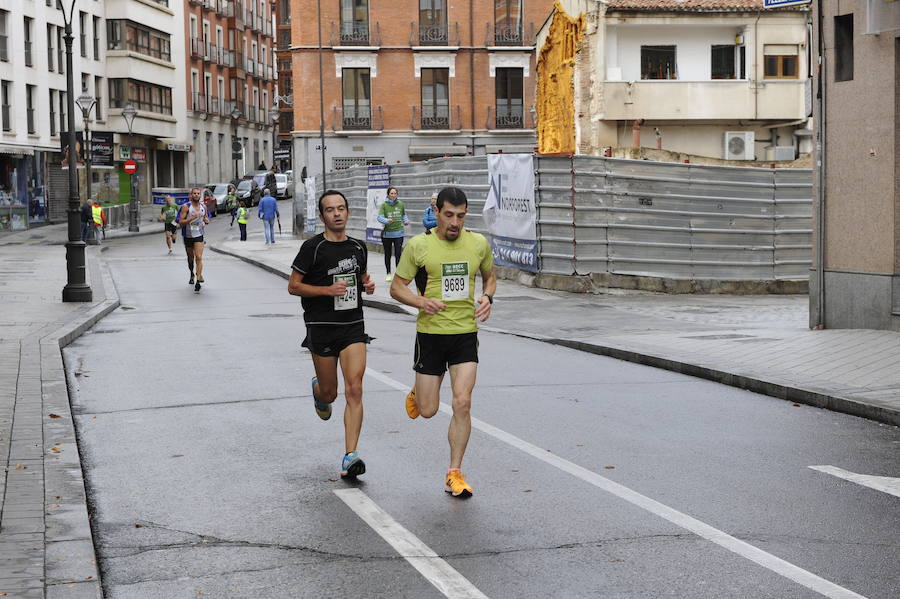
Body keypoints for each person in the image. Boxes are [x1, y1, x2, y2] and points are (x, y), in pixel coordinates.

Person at [389, 186, 496, 498]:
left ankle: (454, 472)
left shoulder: (478, 243)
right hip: (431, 335)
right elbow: (396, 288)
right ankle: (420, 390)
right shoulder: (418, 246)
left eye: (461, 216)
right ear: (436, 212)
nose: (455, 222)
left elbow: (491, 275)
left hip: (465, 333)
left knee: (462, 402)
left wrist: (488, 297)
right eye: (449, 215)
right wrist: (421, 302)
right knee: (427, 410)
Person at [288, 189, 376, 479]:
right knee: (332, 393)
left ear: (348, 212)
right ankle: (319, 390)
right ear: (323, 215)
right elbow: (294, 286)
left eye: (341, 208)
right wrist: (326, 290)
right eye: (330, 209)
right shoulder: (312, 248)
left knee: (355, 388)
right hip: (321, 327)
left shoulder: (358, 248)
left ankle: (351, 456)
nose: (337, 213)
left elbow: (360, 279)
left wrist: (368, 285)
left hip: (353, 326)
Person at [178, 188, 209, 292]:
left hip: (199, 234)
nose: (196, 195)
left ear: (200, 195)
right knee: (190, 257)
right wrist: (192, 218)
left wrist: (206, 220)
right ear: (191, 195)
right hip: (188, 235)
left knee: (199, 257)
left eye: (198, 194)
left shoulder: (203, 206)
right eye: (194, 193)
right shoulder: (186, 207)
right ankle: (191, 273)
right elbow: (181, 222)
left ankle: (198, 278)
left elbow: (206, 218)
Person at [377, 186, 409, 282]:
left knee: (398, 254)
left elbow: (403, 215)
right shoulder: (384, 205)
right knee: (388, 254)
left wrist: (406, 220)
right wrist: (387, 220)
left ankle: (398, 275)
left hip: (399, 233)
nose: (393, 195)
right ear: (388, 194)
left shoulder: (401, 204)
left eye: (395, 193)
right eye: (391, 193)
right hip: (387, 234)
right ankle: (388, 273)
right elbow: (379, 217)